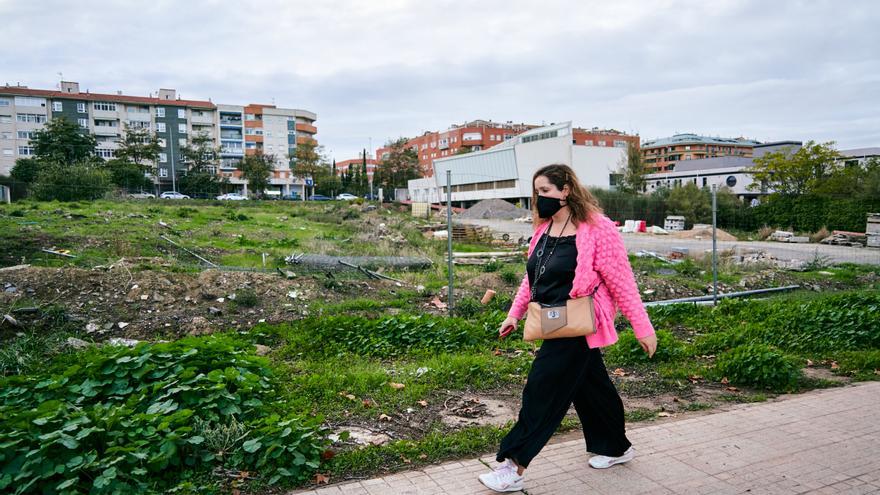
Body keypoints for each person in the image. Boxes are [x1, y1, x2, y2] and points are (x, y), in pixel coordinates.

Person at [478, 164, 657, 493]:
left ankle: (514, 465)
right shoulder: (544, 228)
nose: (540, 197)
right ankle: (616, 447)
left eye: (545, 190)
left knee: (542, 389)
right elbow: (533, 277)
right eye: (536, 192)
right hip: (553, 320)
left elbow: (622, 282)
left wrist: (643, 327)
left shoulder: (597, 228)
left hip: (581, 321)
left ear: (566, 190)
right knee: (593, 389)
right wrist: (514, 313)